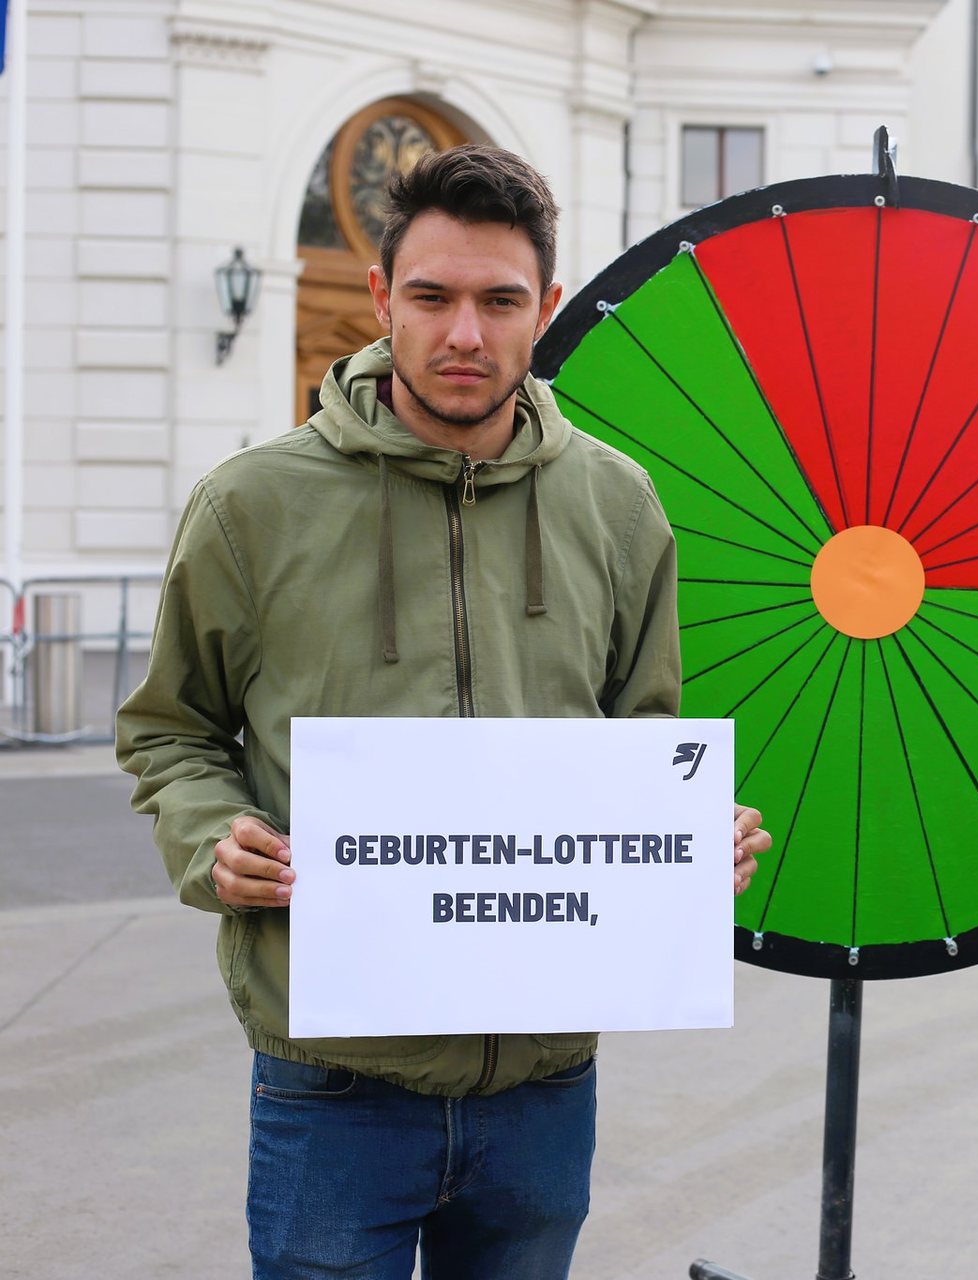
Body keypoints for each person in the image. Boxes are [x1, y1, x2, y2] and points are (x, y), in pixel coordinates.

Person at [117, 144, 772, 1279]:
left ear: (546, 310)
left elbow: (642, 739)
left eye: (499, 300)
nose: (464, 333)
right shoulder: (253, 505)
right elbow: (172, 729)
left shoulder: (619, 506)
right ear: (382, 301)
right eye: (432, 297)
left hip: (545, 1084)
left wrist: (681, 849)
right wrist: (209, 837)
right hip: (334, 1078)